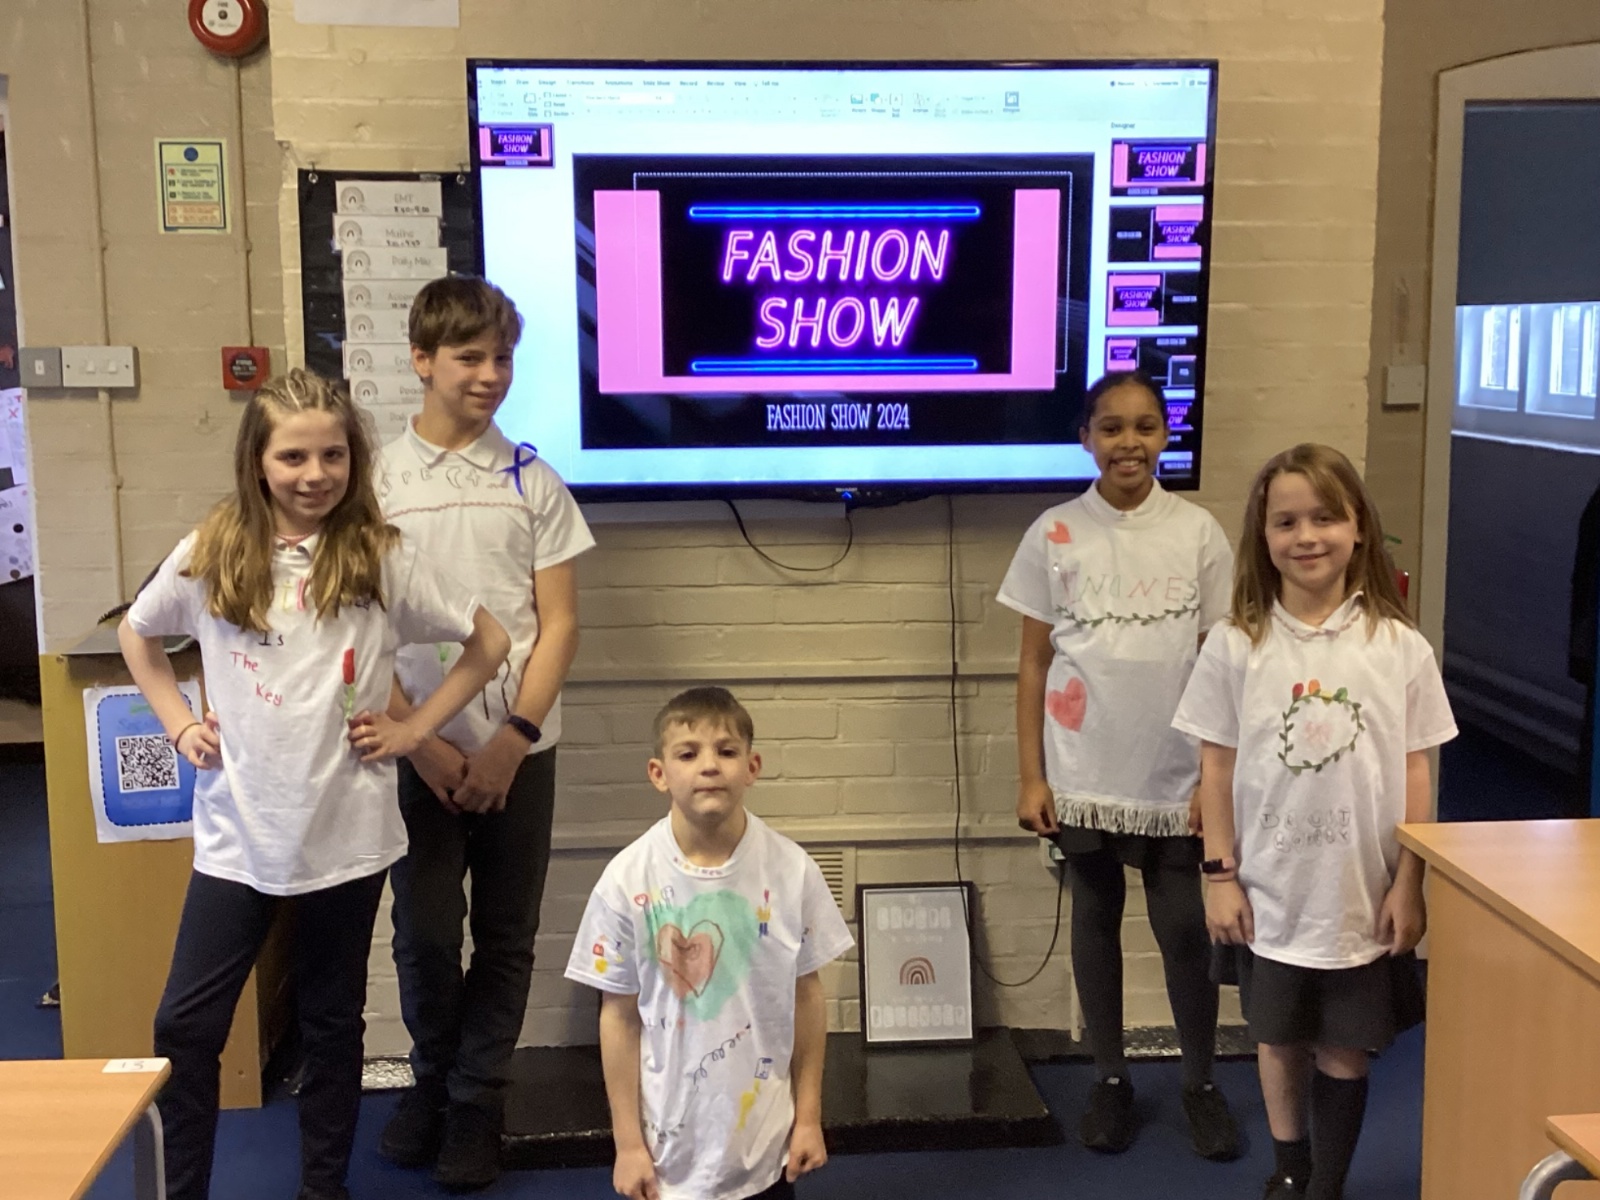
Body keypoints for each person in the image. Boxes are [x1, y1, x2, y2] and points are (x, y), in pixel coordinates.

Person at [118, 369, 510, 1200]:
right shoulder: (215, 550)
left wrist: (414, 729)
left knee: (330, 1024)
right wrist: (180, 724)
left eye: (333, 454)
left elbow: (490, 643)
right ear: (258, 462)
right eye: (293, 456)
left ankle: (322, 1190)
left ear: (353, 459)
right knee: (185, 1024)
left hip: (344, 834)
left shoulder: (379, 555)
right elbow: (138, 633)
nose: (315, 474)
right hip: (238, 834)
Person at [1173, 443, 1457, 1200]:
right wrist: (1219, 876)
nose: (1307, 536)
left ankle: (1328, 1183)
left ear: (1359, 526)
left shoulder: (1398, 647)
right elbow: (1217, 768)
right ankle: (1291, 1167)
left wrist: (1411, 881)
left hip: (1360, 891)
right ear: (1262, 536)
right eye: (1286, 521)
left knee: (1345, 1047)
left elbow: (1417, 771)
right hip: (1271, 890)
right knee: (1277, 1036)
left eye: (1325, 518)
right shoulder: (1237, 644)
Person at [376, 276, 595, 1190]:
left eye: (503, 357)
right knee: (426, 933)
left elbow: (559, 623)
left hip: (518, 755)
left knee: (507, 936)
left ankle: (477, 1100)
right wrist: (419, 740)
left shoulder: (532, 481)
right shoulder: (374, 482)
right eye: (469, 357)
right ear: (422, 361)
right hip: (410, 754)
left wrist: (513, 739)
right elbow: (356, 631)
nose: (490, 374)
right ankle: (432, 1081)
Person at [997, 368, 1239, 1159]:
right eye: (1111, 427)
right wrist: (1033, 776)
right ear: (1085, 438)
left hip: (1174, 777)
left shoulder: (1198, 533)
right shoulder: (1053, 533)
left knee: (1184, 931)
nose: (1128, 443)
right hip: (1083, 771)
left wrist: (1211, 781)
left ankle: (1200, 1082)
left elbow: (1218, 666)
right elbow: (1034, 663)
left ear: (1166, 435)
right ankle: (1109, 1077)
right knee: (1095, 921)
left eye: (1144, 426)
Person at [565, 687, 854, 1200]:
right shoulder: (626, 879)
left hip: (764, 1148)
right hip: (669, 1156)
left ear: (752, 767)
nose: (709, 766)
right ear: (659, 774)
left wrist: (809, 1118)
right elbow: (619, 1017)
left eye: (726, 750)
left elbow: (806, 997)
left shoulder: (792, 872)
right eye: (687, 753)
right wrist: (627, 1144)